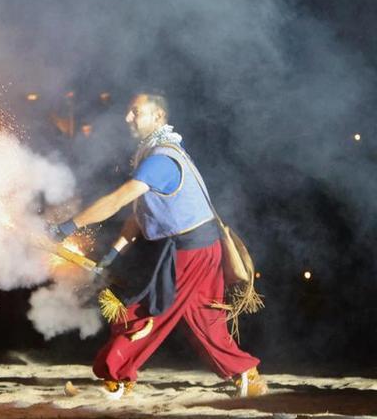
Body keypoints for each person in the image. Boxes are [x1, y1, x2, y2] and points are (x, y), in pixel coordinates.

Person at [51, 93, 266, 399]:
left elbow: (115, 202)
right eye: (128, 112)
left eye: (135, 112)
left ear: (159, 117)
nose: (128, 118)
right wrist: (111, 256)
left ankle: (117, 375)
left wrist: (66, 227)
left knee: (147, 313)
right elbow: (138, 218)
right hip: (200, 248)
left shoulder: (161, 161)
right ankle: (247, 375)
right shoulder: (157, 155)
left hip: (192, 251)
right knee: (205, 318)